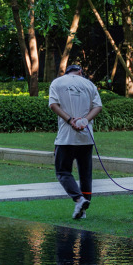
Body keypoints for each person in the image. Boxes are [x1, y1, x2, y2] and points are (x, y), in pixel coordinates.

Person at [48, 64, 103, 219]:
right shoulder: (89, 84)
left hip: (66, 138)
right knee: (85, 174)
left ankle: (79, 200)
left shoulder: (57, 83)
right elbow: (98, 107)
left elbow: (53, 105)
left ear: (67, 72)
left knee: (63, 171)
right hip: (86, 137)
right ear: (80, 72)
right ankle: (83, 210)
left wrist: (70, 120)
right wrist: (85, 120)